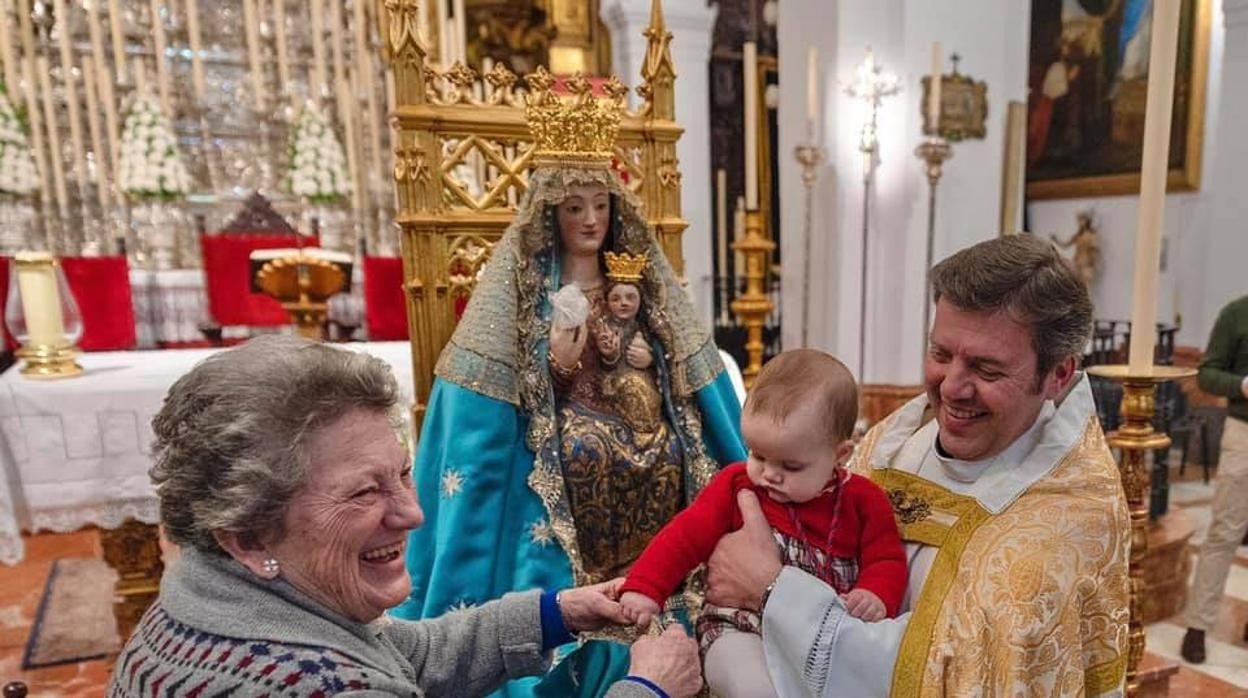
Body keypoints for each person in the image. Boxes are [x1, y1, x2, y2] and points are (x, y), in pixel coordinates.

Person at [393, 73, 746, 696]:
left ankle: (659, 594)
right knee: (585, 452)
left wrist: (643, 352)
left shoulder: (634, 279)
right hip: (559, 427)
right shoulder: (527, 290)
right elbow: (516, 388)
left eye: (601, 206)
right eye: (575, 207)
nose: (589, 220)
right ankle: (589, 613)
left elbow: (673, 361)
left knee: (668, 455)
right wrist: (557, 361)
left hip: (640, 414)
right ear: (551, 213)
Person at [108, 336, 703, 698]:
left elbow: (399, 656)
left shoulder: (210, 587)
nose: (413, 514)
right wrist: (646, 687)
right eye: (365, 493)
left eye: (401, 474)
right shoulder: (326, 685)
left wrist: (558, 614)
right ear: (246, 534)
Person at [704, 235, 1130, 697]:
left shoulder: (1061, 525)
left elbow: (953, 675)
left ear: (1058, 375)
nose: (951, 388)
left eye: (986, 370)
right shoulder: (898, 442)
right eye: (941, 355)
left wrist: (773, 592)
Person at [618, 349, 907, 698]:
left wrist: (875, 594)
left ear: (839, 454)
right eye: (757, 454)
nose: (769, 475)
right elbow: (684, 536)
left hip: (816, 636)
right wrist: (645, 587)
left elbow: (886, 558)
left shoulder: (864, 501)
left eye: (791, 466)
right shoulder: (737, 485)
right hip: (738, 628)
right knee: (754, 687)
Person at [1181, 294, 1248, 663]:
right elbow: (1207, 373)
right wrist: (1243, 385)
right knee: (1225, 532)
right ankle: (1197, 626)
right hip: (1244, 433)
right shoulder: (1237, 313)